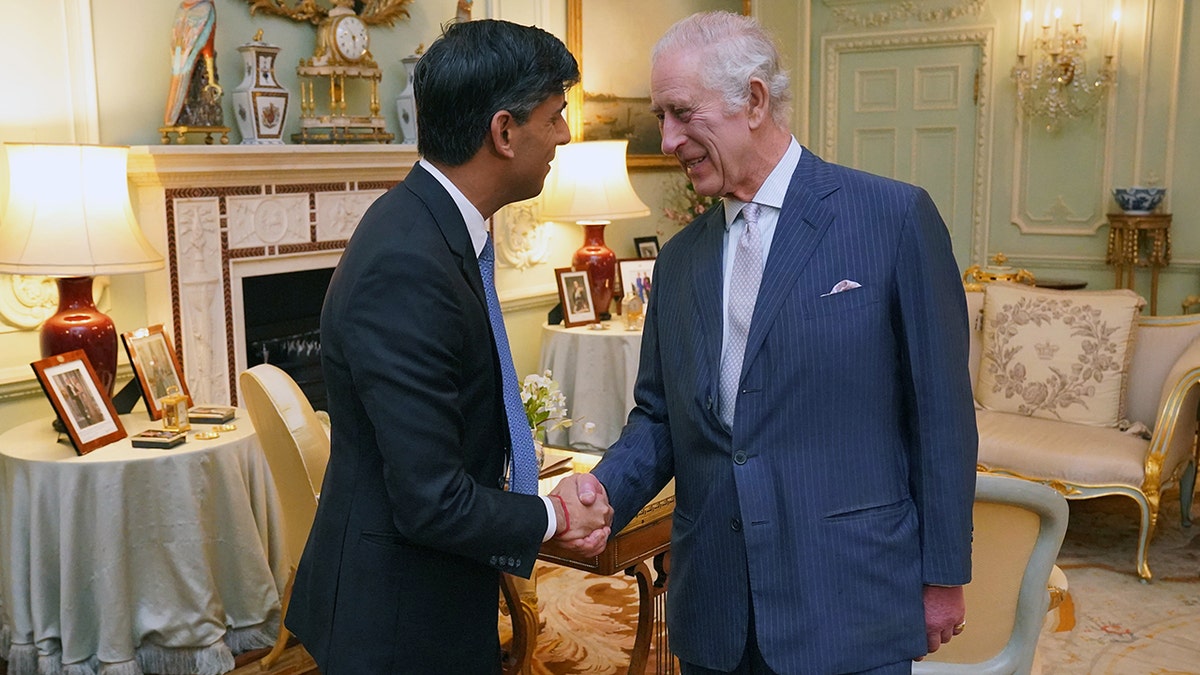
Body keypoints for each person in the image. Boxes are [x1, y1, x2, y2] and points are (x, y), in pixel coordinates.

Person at [554, 11, 978, 674]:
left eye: (680, 113)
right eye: (660, 117)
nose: (667, 140)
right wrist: (600, 491)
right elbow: (662, 416)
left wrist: (943, 574)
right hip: (714, 611)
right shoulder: (683, 259)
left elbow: (942, 417)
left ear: (753, 100)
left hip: (847, 602)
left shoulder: (892, 219)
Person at [285, 20, 611, 674]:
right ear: (503, 131)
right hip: (399, 619)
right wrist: (550, 515)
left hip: (429, 591)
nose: (565, 135)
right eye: (555, 116)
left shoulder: (431, 226)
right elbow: (432, 500)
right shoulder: (408, 262)